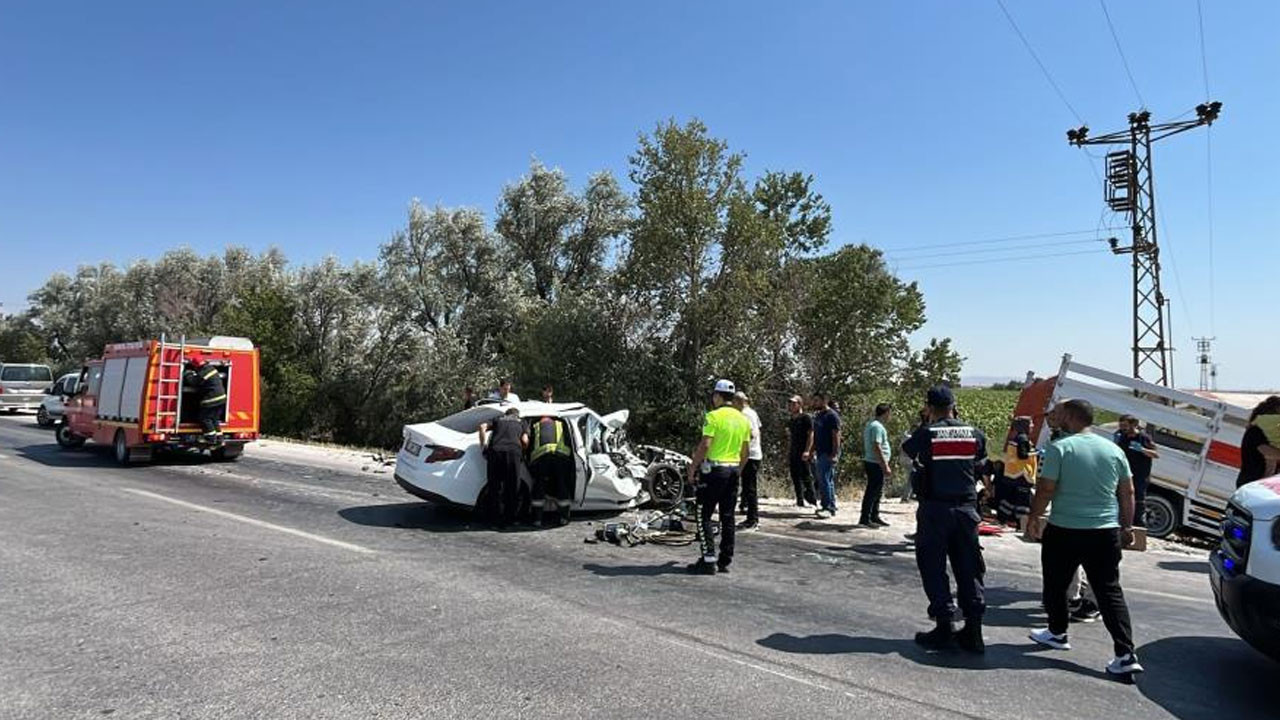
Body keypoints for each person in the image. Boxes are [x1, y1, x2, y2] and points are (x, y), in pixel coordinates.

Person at [1026, 399, 1143, 676]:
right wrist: (1126, 527)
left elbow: (1045, 489)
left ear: (1071, 416)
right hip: (1105, 532)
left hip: (1065, 529)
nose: (1055, 417)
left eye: (1059, 413)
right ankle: (1125, 653)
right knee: (1109, 591)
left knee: (1055, 584)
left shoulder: (1059, 448)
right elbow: (1127, 493)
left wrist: (1033, 518)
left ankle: (1057, 632)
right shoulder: (1113, 450)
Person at [901, 385, 988, 653]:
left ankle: (944, 625)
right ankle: (973, 631)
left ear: (929, 408)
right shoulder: (975, 434)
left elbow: (906, 454)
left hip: (935, 510)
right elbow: (982, 468)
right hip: (966, 510)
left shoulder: (927, 433)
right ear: (954, 405)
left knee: (933, 567)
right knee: (969, 569)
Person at [686, 379, 751, 575]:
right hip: (732, 471)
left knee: (703, 514)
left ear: (718, 396)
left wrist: (692, 467)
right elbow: (746, 452)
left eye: (714, 395)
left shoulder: (713, 416)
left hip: (714, 471)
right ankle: (725, 559)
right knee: (728, 516)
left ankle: (708, 559)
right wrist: (737, 470)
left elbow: (705, 445)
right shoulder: (743, 419)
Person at [477, 407, 528, 528]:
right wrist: (523, 453)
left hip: (495, 452)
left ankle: (494, 519)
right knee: (512, 487)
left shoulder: (498, 419)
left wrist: (483, 446)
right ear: (517, 415)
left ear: (506, 414)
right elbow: (525, 441)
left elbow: (482, 427)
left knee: (494, 486)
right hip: (513, 452)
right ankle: (509, 520)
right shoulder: (522, 422)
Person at [1113, 414, 1159, 527]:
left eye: (1125, 425)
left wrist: (1142, 449)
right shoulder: (1121, 436)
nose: (1122, 428)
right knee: (1118, 498)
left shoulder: (1143, 437)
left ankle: (1137, 526)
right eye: (1121, 425)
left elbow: (1156, 454)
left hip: (1139, 476)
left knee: (1138, 501)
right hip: (1123, 474)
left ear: (1134, 425)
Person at [528, 413, 573, 527]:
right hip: (560, 457)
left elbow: (530, 443)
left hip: (541, 458)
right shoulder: (560, 423)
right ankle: (564, 518)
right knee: (562, 485)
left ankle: (537, 519)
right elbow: (569, 440)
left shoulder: (535, 425)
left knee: (539, 486)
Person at [994, 416, 1038, 529]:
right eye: (1031, 424)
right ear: (1025, 426)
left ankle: (1002, 519)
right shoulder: (1023, 438)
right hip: (1022, 475)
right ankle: (1021, 524)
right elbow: (1022, 455)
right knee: (1022, 501)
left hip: (1013, 475)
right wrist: (1035, 453)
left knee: (1009, 499)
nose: (1033, 426)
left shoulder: (1016, 437)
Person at [861, 403, 893, 527]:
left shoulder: (872, 424)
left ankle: (874, 516)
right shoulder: (877, 427)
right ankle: (865, 518)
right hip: (875, 463)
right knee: (872, 491)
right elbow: (876, 446)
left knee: (877, 491)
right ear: (886, 413)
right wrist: (884, 465)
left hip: (874, 462)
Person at [1238, 395, 1280, 488]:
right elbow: (1268, 452)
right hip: (1251, 482)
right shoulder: (1256, 431)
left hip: (1255, 483)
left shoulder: (1263, 432)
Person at [811, 393, 842, 519]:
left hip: (828, 452)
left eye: (817, 400)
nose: (815, 403)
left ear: (824, 401)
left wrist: (834, 454)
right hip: (820, 451)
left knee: (824, 479)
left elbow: (836, 436)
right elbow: (816, 435)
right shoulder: (819, 416)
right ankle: (831, 506)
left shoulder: (832, 416)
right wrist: (812, 450)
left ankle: (827, 507)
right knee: (826, 479)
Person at [183, 359, 227, 443]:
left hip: (211, 400)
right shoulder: (211, 368)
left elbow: (193, 382)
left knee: (205, 419)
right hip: (221, 398)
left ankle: (211, 439)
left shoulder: (203, 373)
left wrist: (188, 373)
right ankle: (219, 438)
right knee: (214, 419)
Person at [787, 395, 818, 507]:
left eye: (794, 403)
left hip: (803, 450)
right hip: (794, 450)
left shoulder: (806, 418)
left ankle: (812, 499)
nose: (791, 406)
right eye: (790, 403)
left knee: (806, 475)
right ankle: (799, 499)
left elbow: (811, 434)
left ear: (800, 404)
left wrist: (807, 450)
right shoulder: (792, 419)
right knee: (795, 475)